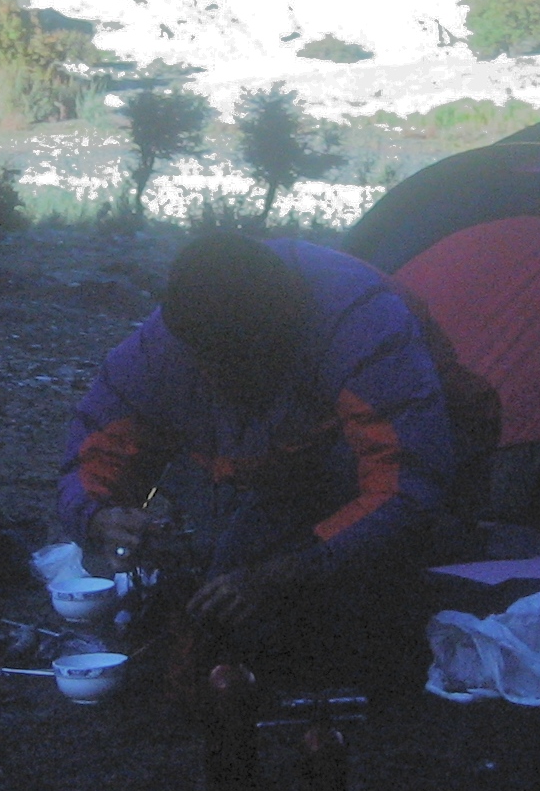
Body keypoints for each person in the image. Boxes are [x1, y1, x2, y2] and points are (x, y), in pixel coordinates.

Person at [56, 231, 493, 681]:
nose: (226, 378)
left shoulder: (361, 326)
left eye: (242, 365)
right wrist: (99, 517)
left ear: (279, 339)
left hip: (439, 437)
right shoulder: (157, 351)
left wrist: (288, 572)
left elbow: (405, 482)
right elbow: (92, 455)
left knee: (359, 595)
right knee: (228, 576)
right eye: (214, 366)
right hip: (294, 450)